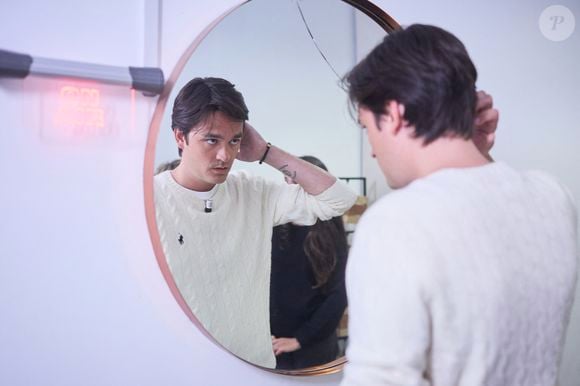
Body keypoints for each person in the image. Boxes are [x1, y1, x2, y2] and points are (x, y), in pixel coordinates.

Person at [341, 24, 578, 385]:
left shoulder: (396, 223)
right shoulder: (552, 197)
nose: (372, 149)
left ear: (394, 113)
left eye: (367, 127)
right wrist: (477, 155)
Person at [153, 77, 358, 368]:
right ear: (179, 137)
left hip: (256, 369)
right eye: (211, 140)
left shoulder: (253, 192)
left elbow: (339, 199)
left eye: (234, 140)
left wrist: (265, 152)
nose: (225, 155)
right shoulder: (148, 199)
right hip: (181, 367)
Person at [270, 155, 349, 369]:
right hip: (273, 344)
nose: (293, 188)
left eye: (299, 182)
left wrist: (300, 339)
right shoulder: (275, 221)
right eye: (288, 181)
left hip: (313, 346)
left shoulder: (330, 227)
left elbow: (339, 294)